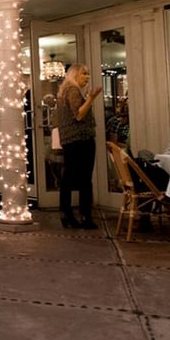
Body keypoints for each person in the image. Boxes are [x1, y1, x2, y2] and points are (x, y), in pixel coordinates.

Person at [56, 63, 102, 230]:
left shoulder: (64, 92)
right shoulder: (73, 91)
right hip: (80, 140)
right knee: (84, 179)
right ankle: (85, 216)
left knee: (68, 178)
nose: (87, 77)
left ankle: (66, 213)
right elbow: (79, 115)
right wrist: (91, 98)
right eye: (84, 74)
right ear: (74, 75)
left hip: (70, 141)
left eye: (88, 74)